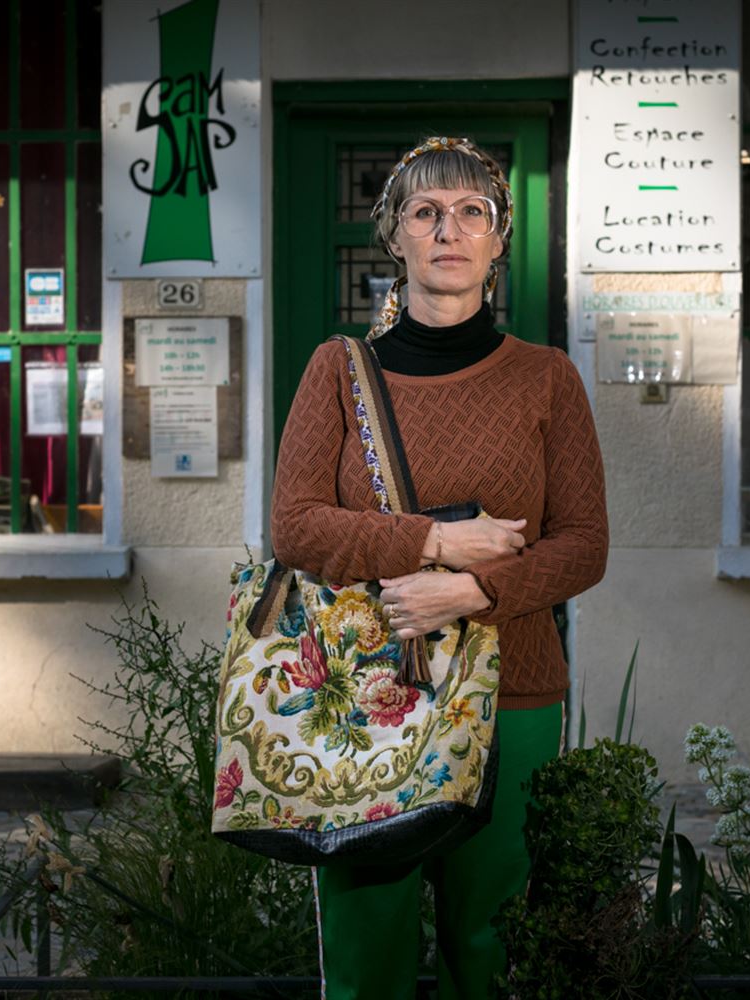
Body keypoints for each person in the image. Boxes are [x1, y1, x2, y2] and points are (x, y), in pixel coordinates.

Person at [270, 135, 608, 999]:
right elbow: (294, 526)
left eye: (470, 212)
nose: (446, 229)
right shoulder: (337, 372)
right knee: (365, 937)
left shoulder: (546, 378)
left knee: (489, 937)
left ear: (498, 240)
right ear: (395, 238)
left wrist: (473, 592)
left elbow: (583, 543)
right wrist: (437, 544)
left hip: (514, 690)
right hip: (365, 690)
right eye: (424, 213)